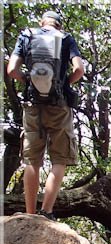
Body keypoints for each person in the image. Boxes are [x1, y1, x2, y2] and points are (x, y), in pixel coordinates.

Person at [7, 10, 84, 220]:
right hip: (59, 106)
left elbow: (12, 70)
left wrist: (27, 80)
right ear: (58, 24)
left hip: (32, 105)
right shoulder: (66, 38)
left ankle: (31, 214)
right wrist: (63, 84)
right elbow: (79, 69)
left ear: (43, 22)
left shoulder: (27, 35)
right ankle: (47, 211)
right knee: (59, 158)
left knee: (32, 160)